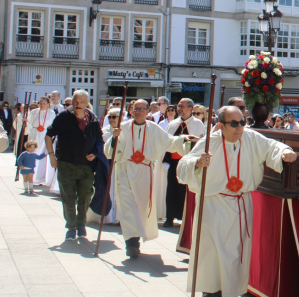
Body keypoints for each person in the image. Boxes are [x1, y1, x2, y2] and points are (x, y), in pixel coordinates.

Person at [178, 106, 297, 296]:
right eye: (234, 124)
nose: (240, 128)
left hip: (240, 205)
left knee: (235, 256)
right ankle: (211, 292)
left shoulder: (250, 137)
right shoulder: (209, 142)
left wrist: (284, 152)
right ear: (220, 126)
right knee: (212, 256)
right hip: (213, 206)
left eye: (242, 122)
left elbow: (272, 146)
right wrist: (198, 163)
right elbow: (183, 166)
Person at [106, 99, 191, 258]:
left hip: (144, 171)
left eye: (141, 109)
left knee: (141, 207)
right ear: (131, 111)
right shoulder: (122, 128)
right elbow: (110, 151)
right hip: (125, 169)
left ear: (147, 111)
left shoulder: (153, 128)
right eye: (135, 109)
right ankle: (131, 243)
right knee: (127, 206)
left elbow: (169, 142)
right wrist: (114, 138)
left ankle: (135, 237)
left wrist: (184, 140)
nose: (138, 111)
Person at [44, 90, 103, 240]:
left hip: (86, 165)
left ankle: (81, 224)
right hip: (66, 163)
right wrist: (51, 156)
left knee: (85, 196)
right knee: (68, 197)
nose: (78, 105)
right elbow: (49, 135)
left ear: (87, 103)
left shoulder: (93, 118)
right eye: (76, 102)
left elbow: (99, 139)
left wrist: (96, 153)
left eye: (82, 102)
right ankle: (71, 226)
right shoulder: (64, 117)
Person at [163, 99, 206, 228]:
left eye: (182, 106)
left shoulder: (198, 124)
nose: (179, 108)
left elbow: (201, 142)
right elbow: (167, 141)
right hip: (174, 162)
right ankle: (169, 216)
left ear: (190, 108)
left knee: (187, 190)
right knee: (171, 189)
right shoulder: (173, 124)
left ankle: (186, 217)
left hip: (189, 162)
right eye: (179, 106)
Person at [28, 97, 56, 186]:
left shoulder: (51, 113)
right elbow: (29, 123)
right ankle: (34, 177)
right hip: (36, 135)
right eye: (41, 103)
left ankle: (45, 178)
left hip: (46, 135)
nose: (42, 105)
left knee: (45, 156)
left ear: (48, 104)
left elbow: (53, 125)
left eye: (44, 103)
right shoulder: (34, 112)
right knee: (35, 155)